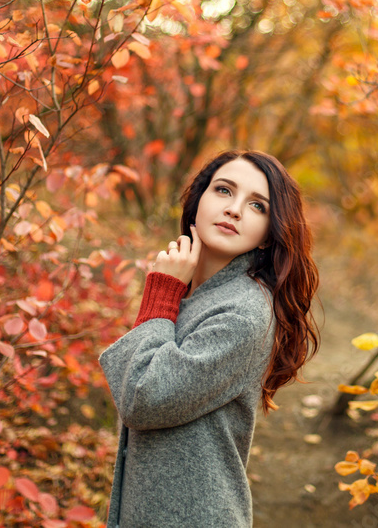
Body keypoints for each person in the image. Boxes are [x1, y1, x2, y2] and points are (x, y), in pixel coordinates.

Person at [98, 149, 319, 527]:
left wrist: (161, 292)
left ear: (268, 236)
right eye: (223, 190)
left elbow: (142, 398)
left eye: (257, 206)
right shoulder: (194, 290)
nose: (234, 209)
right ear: (197, 201)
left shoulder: (244, 313)